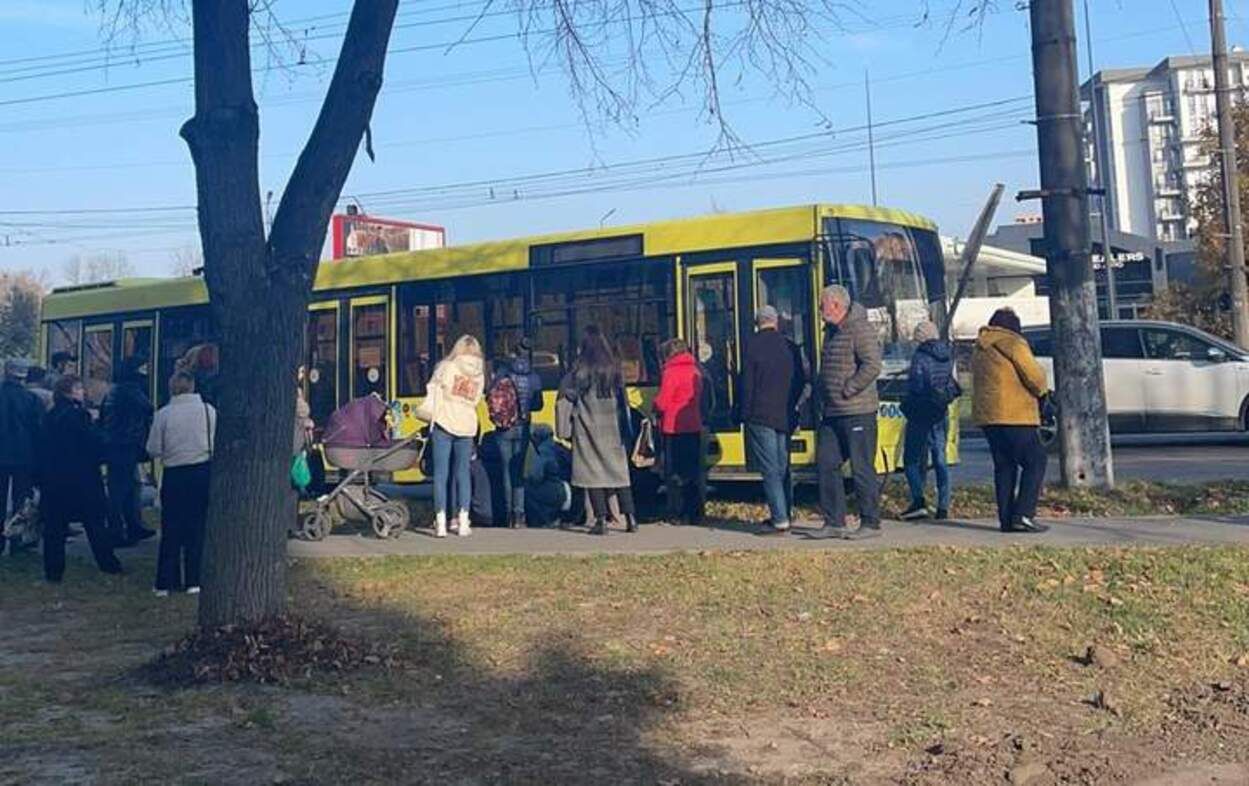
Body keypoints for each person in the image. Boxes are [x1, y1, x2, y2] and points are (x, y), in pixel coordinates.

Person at [813, 284, 883, 539]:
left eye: (823, 305)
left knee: (861, 467)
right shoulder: (830, 332)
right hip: (832, 412)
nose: (820, 310)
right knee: (826, 464)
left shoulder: (860, 328)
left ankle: (870, 522)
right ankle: (834, 520)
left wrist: (849, 388)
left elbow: (873, 365)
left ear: (836, 305)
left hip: (857, 411)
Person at [37, 375, 123, 582]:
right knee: (95, 524)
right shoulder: (80, 417)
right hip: (83, 479)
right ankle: (108, 564)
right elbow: (94, 444)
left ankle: (54, 572)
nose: (83, 392)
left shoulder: (49, 417)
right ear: (70, 392)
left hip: (55, 480)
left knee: (54, 529)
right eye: (79, 388)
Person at [972, 308, 1050, 534]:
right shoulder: (1014, 343)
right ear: (1015, 327)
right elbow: (1035, 377)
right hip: (1015, 414)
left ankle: (1006, 520)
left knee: (1004, 467)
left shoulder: (980, 347)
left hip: (989, 417)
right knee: (1036, 460)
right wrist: (1043, 391)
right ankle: (1024, 514)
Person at [560, 329, 637, 535]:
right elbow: (624, 402)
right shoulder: (615, 370)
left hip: (588, 428)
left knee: (592, 474)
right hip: (613, 430)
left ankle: (601, 520)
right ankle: (631, 518)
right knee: (620, 475)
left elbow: (570, 395)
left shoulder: (581, 370)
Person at [146, 370, 216, 596]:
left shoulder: (163, 414)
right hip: (201, 471)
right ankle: (194, 580)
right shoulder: (208, 411)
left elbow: (153, 448)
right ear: (193, 386)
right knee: (197, 527)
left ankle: (165, 581)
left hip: (174, 473)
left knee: (171, 529)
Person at [741, 305, 808, 534]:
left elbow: (747, 385)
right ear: (776, 321)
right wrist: (793, 405)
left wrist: (744, 413)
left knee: (770, 469)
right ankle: (785, 512)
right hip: (785, 415)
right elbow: (801, 379)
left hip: (761, 416)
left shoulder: (752, 346)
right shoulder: (790, 346)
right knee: (782, 467)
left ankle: (779, 520)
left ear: (757, 322)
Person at [418, 335, 485, 538]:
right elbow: (475, 400)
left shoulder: (447, 367)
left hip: (444, 423)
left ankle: (440, 523)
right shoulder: (479, 373)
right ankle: (463, 522)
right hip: (467, 426)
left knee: (441, 475)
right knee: (462, 474)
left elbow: (433, 391)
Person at [900, 321, 960, 522]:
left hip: (921, 414)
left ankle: (919, 501)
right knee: (940, 460)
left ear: (921, 337)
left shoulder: (920, 356)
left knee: (910, 460)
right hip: (940, 412)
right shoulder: (947, 355)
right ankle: (943, 506)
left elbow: (917, 386)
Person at [101, 357, 156, 547]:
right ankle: (117, 531)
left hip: (114, 445)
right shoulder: (131, 389)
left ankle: (132, 526)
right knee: (121, 490)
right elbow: (148, 408)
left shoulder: (113, 391)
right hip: (126, 445)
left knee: (129, 487)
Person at [651, 338, 705, 525]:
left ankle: (679, 512)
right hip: (694, 426)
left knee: (675, 473)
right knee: (692, 471)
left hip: (674, 428)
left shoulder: (670, 372)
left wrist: (654, 405)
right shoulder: (695, 370)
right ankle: (696, 512)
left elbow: (663, 401)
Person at [491, 339, 543, 528]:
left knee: (506, 469)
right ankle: (520, 515)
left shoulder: (502, 373)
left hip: (504, 427)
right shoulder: (534, 376)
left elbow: (491, 395)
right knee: (518, 471)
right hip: (523, 426)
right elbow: (538, 405)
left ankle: (508, 514)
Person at [1, 359, 42, 556]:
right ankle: (17, 541)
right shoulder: (31, 399)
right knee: (21, 501)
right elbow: (39, 430)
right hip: (25, 457)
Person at [523, 424, 578, 527]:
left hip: (558, 491)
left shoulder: (543, 452)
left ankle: (544, 520)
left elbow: (535, 476)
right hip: (572, 489)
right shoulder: (561, 448)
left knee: (526, 489)